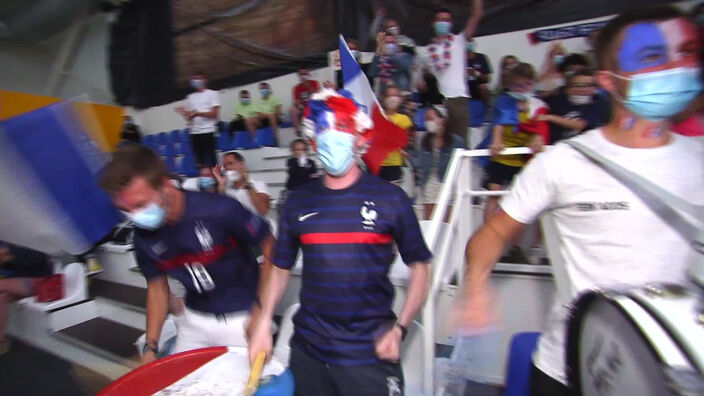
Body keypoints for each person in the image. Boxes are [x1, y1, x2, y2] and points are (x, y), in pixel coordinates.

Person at [455, 7, 704, 395]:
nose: (676, 66)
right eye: (653, 57)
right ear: (608, 79)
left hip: (679, 377)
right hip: (572, 370)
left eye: (687, 51)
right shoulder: (563, 162)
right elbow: (495, 231)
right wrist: (474, 286)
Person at [248, 90, 431, 396]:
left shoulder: (391, 199)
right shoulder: (297, 201)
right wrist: (264, 320)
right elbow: (280, 268)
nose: (332, 137)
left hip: (370, 352)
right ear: (313, 140)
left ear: (360, 137)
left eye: (342, 128)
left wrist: (401, 328)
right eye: (323, 130)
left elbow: (420, 267)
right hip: (309, 352)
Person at [99, 145, 274, 364]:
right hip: (192, 323)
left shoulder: (220, 209)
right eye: (126, 210)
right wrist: (151, 346)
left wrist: (261, 313)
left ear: (164, 185)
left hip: (243, 318)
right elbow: (156, 287)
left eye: (140, 204)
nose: (135, 215)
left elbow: (271, 249)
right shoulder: (142, 237)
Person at [415, 0, 483, 145]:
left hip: (458, 98)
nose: (443, 23)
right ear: (434, 23)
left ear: (451, 23)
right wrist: (418, 80)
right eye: (440, 20)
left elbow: (476, 16)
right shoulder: (427, 51)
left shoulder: (459, 41)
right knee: (441, 143)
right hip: (439, 102)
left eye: (446, 20)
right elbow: (417, 70)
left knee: (460, 143)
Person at [412, 106, 466, 220]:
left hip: (447, 182)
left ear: (442, 120)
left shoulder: (456, 141)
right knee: (428, 218)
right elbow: (420, 162)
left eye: (430, 118)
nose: (427, 122)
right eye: (426, 119)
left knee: (446, 218)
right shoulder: (424, 140)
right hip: (429, 182)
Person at [0, 242, 53, 355]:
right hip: (18, 279)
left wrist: (10, 256)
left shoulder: (29, 235)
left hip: (42, 280)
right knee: (2, 296)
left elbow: (38, 259)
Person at [543, 69, 609, 143]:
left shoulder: (598, 104)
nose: (581, 89)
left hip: (583, 148)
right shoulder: (558, 100)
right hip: (556, 147)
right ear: (568, 88)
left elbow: (579, 125)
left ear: (595, 88)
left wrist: (551, 118)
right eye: (576, 85)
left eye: (586, 85)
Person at [175, 72, 220, 167]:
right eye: (194, 79)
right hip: (194, 132)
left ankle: (217, 179)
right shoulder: (190, 97)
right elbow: (189, 116)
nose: (196, 81)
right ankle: (203, 178)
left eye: (198, 78)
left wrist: (198, 113)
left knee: (211, 158)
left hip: (208, 130)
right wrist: (184, 112)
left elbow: (214, 113)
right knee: (199, 161)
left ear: (205, 80)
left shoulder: (212, 93)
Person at [214, 151, 271, 217]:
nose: (227, 168)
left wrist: (245, 183)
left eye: (230, 164)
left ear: (241, 165)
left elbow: (263, 210)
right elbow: (219, 211)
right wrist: (221, 185)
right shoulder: (226, 190)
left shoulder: (258, 185)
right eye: (225, 166)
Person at [378, 86, 413, 185]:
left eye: (396, 95)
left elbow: (404, 142)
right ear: (384, 98)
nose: (393, 98)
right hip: (375, 163)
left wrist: (391, 128)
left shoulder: (404, 119)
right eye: (390, 95)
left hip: (393, 163)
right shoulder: (376, 116)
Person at [290, 68, 321, 135]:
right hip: (303, 108)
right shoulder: (296, 88)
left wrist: (307, 84)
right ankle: (298, 131)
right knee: (292, 109)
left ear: (308, 74)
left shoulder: (314, 83)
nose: (303, 76)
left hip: (314, 106)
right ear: (298, 76)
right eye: (301, 74)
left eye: (305, 74)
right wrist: (298, 104)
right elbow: (295, 101)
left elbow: (317, 95)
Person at [466, 38, 492, 104]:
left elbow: (487, 79)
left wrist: (476, 73)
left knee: (483, 87)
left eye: (470, 42)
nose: (469, 44)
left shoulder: (481, 57)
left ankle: (486, 109)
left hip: (478, 88)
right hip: (464, 88)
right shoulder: (459, 59)